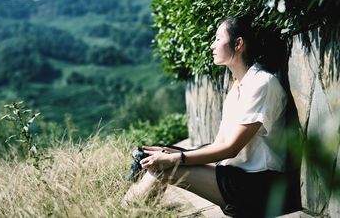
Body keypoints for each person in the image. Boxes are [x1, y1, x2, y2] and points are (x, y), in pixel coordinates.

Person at [122, 15, 289, 217]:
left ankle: (122, 212)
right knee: (162, 159)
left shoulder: (262, 83)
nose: (212, 45)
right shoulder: (238, 87)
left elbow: (230, 149)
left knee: (165, 168)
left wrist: (176, 158)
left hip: (260, 186)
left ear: (238, 44)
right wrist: (169, 151)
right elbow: (219, 145)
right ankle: (127, 211)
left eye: (218, 39)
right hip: (237, 177)